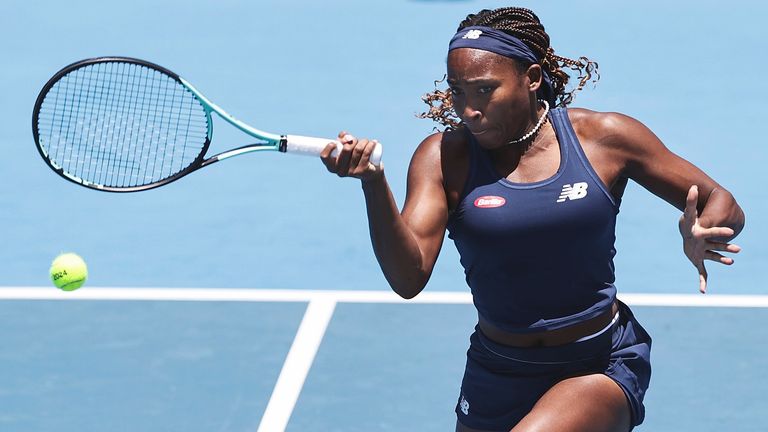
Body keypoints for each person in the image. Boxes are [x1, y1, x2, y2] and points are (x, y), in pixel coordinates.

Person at [320, 7, 745, 432]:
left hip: (597, 363)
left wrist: (703, 229)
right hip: (496, 369)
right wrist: (373, 184)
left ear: (533, 78)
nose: (469, 110)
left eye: (484, 90)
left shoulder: (605, 138)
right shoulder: (442, 158)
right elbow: (408, 277)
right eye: (458, 92)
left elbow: (721, 200)